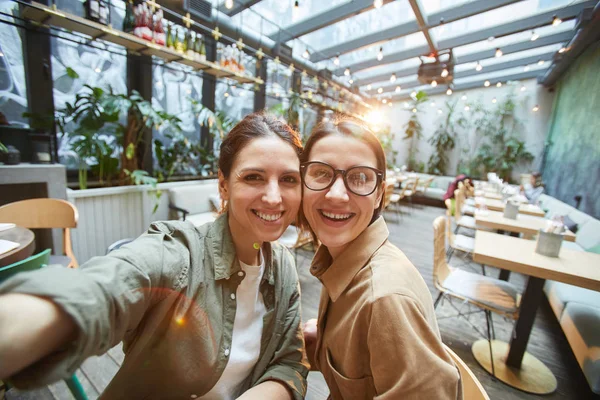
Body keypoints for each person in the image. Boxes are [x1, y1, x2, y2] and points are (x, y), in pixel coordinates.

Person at [0, 113, 308, 400]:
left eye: (288, 180)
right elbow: (106, 288)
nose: (273, 196)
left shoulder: (283, 268)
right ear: (224, 185)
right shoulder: (179, 252)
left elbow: (290, 363)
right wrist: (37, 317)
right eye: (253, 177)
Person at [299, 119, 461, 399]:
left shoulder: (385, 299)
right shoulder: (340, 260)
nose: (337, 194)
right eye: (321, 173)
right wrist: (325, 338)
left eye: (359, 178)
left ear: (379, 195)